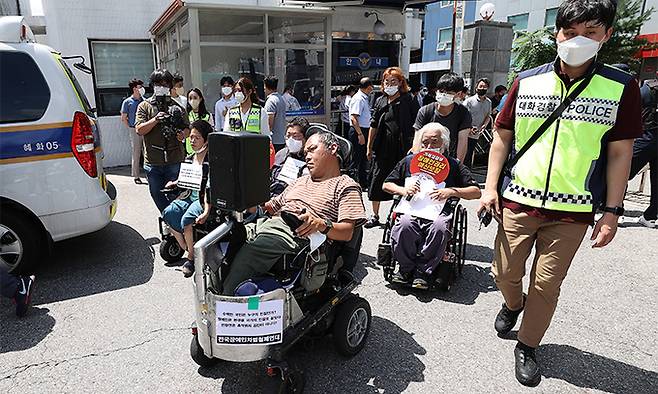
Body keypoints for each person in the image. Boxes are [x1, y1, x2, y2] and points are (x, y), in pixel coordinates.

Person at [478, 0, 642, 387]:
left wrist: (612, 210)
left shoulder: (621, 87)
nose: (578, 41)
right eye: (570, 32)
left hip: (574, 210)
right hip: (518, 200)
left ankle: (528, 345)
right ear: (557, 33)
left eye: (590, 33)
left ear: (606, 36)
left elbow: (621, 152)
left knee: (546, 285)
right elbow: (502, 135)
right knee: (504, 272)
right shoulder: (527, 80)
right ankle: (512, 303)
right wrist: (489, 188)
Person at [222, 130, 367, 295]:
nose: (307, 156)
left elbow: (348, 232)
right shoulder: (299, 181)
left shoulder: (345, 185)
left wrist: (320, 224)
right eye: (305, 152)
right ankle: (216, 293)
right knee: (218, 242)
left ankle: (222, 306)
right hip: (267, 225)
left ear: (333, 148)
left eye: (312, 149)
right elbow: (269, 206)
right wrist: (248, 199)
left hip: (299, 236)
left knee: (249, 252)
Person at [383, 123, 480, 289]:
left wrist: (451, 191)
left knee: (439, 227)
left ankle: (423, 271)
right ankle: (406, 268)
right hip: (411, 207)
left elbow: (476, 191)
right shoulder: (409, 161)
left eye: (434, 142)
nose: (429, 146)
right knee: (404, 225)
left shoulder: (453, 164)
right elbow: (386, 184)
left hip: (439, 210)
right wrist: (403, 189)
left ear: (444, 144)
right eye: (425, 143)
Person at [364, 67, 420, 228]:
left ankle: (398, 213)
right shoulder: (380, 99)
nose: (389, 84)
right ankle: (374, 215)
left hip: (403, 147)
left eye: (393, 81)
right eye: (387, 81)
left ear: (401, 83)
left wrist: (415, 146)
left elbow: (417, 125)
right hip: (382, 147)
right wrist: (369, 146)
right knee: (377, 178)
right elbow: (373, 125)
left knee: (402, 180)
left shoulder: (409, 99)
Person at [162, 120, 212, 277]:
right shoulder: (190, 158)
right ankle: (186, 247)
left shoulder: (212, 161)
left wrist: (207, 209)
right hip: (189, 195)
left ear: (206, 139)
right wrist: (174, 183)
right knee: (168, 212)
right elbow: (185, 178)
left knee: (186, 220)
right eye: (191, 137)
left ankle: (191, 258)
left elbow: (211, 187)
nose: (192, 141)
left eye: (196, 138)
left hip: (202, 198)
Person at [135, 69, 189, 213]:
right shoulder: (144, 106)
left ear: (170, 86)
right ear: (152, 85)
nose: (162, 87)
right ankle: (168, 220)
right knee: (157, 194)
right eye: (158, 84)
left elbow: (188, 129)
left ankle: (174, 223)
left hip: (174, 159)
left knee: (176, 196)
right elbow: (139, 129)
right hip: (153, 161)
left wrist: (182, 134)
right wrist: (155, 119)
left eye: (165, 84)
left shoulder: (178, 107)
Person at [414, 73, 472, 162]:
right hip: (425, 159)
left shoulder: (463, 113)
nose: (444, 95)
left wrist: (457, 165)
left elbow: (463, 141)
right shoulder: (425, 111)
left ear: (458, 94)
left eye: (448, 93)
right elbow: (417, 140)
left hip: (449, 161)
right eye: (441, 91)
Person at [623, 78, 657, 227]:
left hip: (645, 139)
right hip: (649, 138)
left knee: (621, 173)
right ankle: (650, 216)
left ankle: (613, 210)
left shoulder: (646, 90)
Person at [271, 117, 310, 197]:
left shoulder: (311, 158)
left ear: (306, 138)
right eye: (288, 136)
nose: (291, 140)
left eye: (295, 136)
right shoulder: (281, 154)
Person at [348, 77, 374, 189]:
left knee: (363, 158)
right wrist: (360, 134)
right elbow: (354, 118)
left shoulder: (364, 98)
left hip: (363, 129)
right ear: (368, 87)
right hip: (359, 130)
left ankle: (363, 183)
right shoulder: (358, 99)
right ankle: (353, 181)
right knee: (357, 158)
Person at [120, 78, 145, 184]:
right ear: (134, 88)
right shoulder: (127, 102)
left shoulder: (144, 101)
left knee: (147, 151)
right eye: (140, 87)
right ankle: (136, 175)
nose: (142, 89)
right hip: (134, 129)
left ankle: (150, 173)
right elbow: (123, 117)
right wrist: (131, 128)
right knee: (136, 152)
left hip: (145, 128)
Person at [463, 78, 492, 168]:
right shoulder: (469, 101)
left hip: (477, 133)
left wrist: (484, 126)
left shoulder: (488, 102)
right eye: (481, 86)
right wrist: (469, 128)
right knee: (464, 153)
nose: (482, 88)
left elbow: (488, 116)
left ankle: (467, 172)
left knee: (470, 152)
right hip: (465, 133)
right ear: (476, 88)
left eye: (485, 87)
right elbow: (463, 116)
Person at [185, 88, 214, 154]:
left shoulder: (207, 115)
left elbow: (211, 133)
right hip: (190, 151)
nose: (193, 100)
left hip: (205, 150)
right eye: (190, 98)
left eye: (195, 98)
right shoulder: (186, 115)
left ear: (200, 99)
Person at [264, 76, 288, 152]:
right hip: (281, 138)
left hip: (274, 140)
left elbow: (269, 124)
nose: (264, 89)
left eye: (264, 86)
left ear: (267, 87)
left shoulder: (270, 101)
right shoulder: (280, 98)